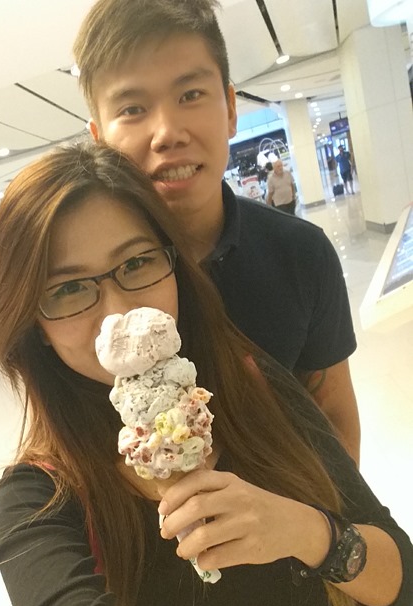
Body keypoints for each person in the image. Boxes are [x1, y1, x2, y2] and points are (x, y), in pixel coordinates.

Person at [0, 141, 413, 606]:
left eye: (137, 262)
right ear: (32, 322)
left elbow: (402, 578)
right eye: (69, 288)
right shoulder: (37, 499)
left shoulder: (251, 385)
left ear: (174, 266)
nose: (118, 314)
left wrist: (307, 532)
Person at [72, 0, 361, 464]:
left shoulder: (301, 254)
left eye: (190, 95)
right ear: (99, 139)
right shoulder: (87, 288)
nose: (167, 133)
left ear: (230, 108)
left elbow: (336, 419)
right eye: (132, 108)